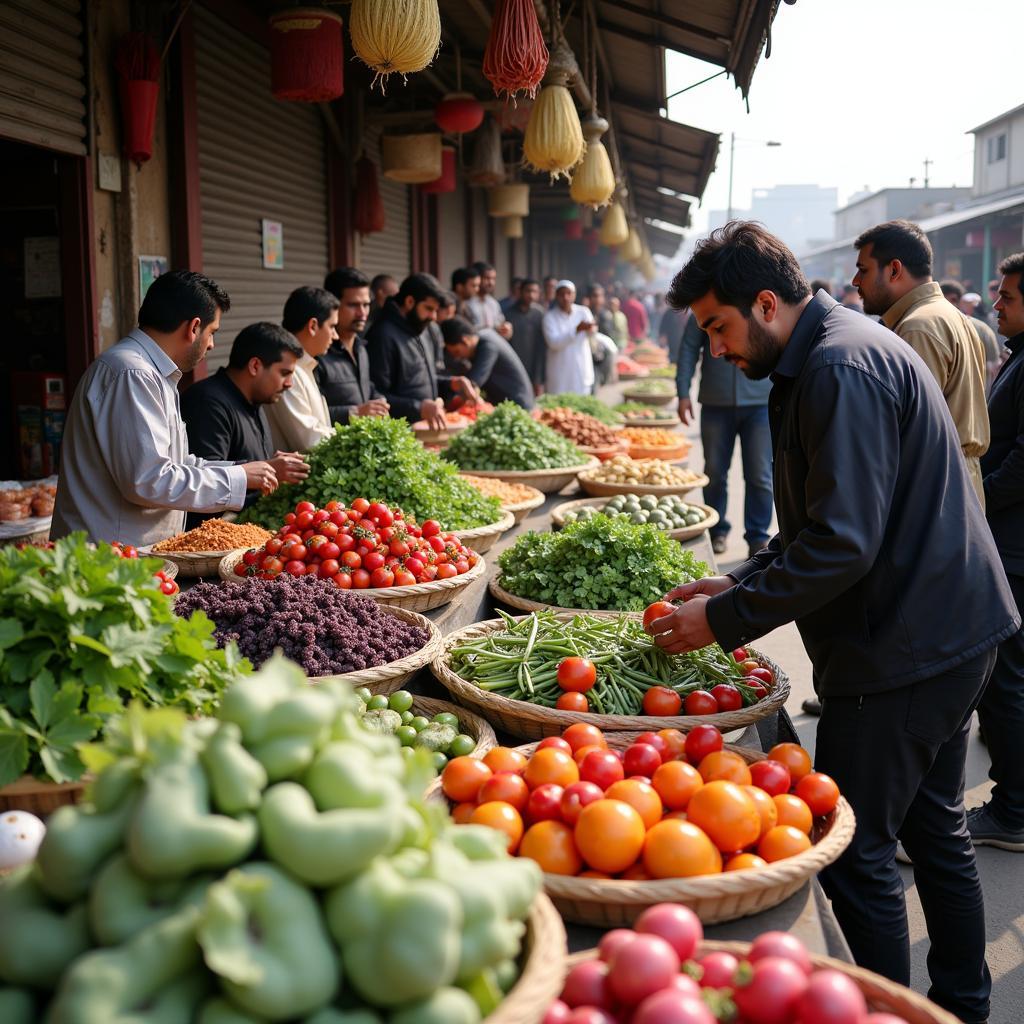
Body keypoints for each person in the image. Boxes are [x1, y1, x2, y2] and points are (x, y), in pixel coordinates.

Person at [651, 222, 1017, 1024]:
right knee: (938, 826)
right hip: (949, 627)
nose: (714, 350)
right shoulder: (828, 353)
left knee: (859, 855)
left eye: (717, 327)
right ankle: (961, 1005)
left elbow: (844, 544)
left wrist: (726, 618)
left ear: (768, 303)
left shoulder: (838, 368)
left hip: (908, 647)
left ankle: (879, 1012)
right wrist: (740, 575)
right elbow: (821, 521)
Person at [51, 270, 277, 545]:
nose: (212, 344)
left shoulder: (152, 373)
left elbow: (177, 464)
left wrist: (243, 471)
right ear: (193, 327)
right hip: (107, 559)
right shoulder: (133, 374)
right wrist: (238, 478)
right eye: (212, 332)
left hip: (129, 556)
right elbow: (149, 480)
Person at [853, 220, 989, 504]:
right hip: (952, 482)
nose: (856, 281)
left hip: (935, 489)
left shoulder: (919, 327)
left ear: (894, 269)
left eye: (863, 270)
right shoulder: (947, 315)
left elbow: (912, 433)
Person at [970, 254, 1024, 853]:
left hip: (1014, 543)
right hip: (1008, 536)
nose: (997, 305)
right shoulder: (1018, 356)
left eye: (1007, 297)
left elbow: (1021, 463)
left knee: (1006, 679)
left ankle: (1013, 810)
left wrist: (978, 503)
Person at [181, 322, 310, 527]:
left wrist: (272, 468)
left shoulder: (256, 400)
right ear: (255, 366)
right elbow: (203, 485)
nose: (289, 383)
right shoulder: (207, 403)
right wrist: (269, 470)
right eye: (284, 373)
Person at [676, 313, 773, 560]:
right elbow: (688, 347)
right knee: (715, 472)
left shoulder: (760, 302)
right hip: (715, 402)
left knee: (760, 474)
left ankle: (758, 536)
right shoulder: (706, 304)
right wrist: (683, 392)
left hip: (760, 401)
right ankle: (718, 530)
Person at [367, 272, 478, 430]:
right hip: (398, 434)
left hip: (425, 430)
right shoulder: (382, 335)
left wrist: (453, 383)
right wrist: (418, 407)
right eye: (428, 309)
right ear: (410, 301)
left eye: (435, 310)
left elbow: (421, 380)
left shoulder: (422, 329)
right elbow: (376, 395)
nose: (433, 317)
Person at [264, 286, 338, 452]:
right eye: (332, 327)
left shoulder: (304, 367)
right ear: (313, 326)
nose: (335, 335)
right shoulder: (290, 372)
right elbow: (310, 441)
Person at [318, 267, 390, 425]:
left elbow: (364, 387)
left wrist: (378, 399)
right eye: (353, 305)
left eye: (366, 304)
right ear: (333, 306)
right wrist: (355, 412)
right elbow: (312, 417)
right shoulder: (318, 354)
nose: (362, 313)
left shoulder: (361, 347)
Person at [440, 317, 534, 409]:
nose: (458, 357)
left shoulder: (488, 346)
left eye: (457, 352)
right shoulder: (485, 336)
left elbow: (474, 381)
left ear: (465, 341)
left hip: (518, 406)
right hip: (507, 404)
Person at [542, 280, 596, 395]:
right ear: (556, 296)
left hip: (581, 368)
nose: (565, 297)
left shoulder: (583, 312)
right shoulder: (550, 317)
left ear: (574, 295)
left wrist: (591, 329)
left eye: (569, 293)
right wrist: (576, 330)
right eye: (562, 294)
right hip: (560, 372)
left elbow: (592, 332)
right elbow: (553, 343)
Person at [504, 278, 546, 393]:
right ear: (520, 292)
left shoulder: (539, 314)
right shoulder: (507, 313)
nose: (531, 295)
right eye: (528, 291)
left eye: (535, 292)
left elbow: (541, 347)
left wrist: (539, 378)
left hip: (533, 367)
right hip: (513, 365)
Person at [466, 260, 513, 339]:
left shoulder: (493, 303)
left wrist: (506, 329)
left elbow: (500, 325)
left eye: (493, 279)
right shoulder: (467, 302)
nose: (491, 283)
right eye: (487, 278)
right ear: (477, 278)